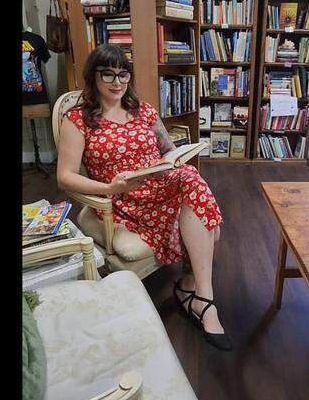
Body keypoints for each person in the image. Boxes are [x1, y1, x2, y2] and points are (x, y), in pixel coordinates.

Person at [57, 44, 232, 351]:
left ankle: (203, 296)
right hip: (121, 198)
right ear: (93, 76)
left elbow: (166, 149)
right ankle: (196, 296)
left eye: (123, 73)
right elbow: (65, 176)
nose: (117, 81)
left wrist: (173, 161)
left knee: (191, 177)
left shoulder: (144, 110)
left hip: (158, 185)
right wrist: (109, 189)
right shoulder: (78, 119)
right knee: (197, 197)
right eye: (108, 73)